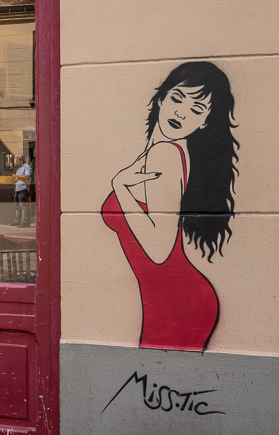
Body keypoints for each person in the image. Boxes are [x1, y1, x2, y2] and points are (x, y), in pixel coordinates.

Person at [101, 61, 239, 352]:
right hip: (173, 298)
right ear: (162, 98)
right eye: (177, 99)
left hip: (175, 303)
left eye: (196, 109)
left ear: (204, 122)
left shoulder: (165, 155)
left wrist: (119, 187)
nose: (181, 113)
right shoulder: (160, 153)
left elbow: (158, 249)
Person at [10, 154, 32, 227]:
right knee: (17, 206)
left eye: (17, 160)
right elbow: (18, 178)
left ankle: (24, 222)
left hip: (23, 188)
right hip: (17, 188)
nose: (16, 161)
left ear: (21, 159)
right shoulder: (19, 168)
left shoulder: (27, 167)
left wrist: (16, 176)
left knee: (23, 206)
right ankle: (17, 221)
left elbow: (27, 177)